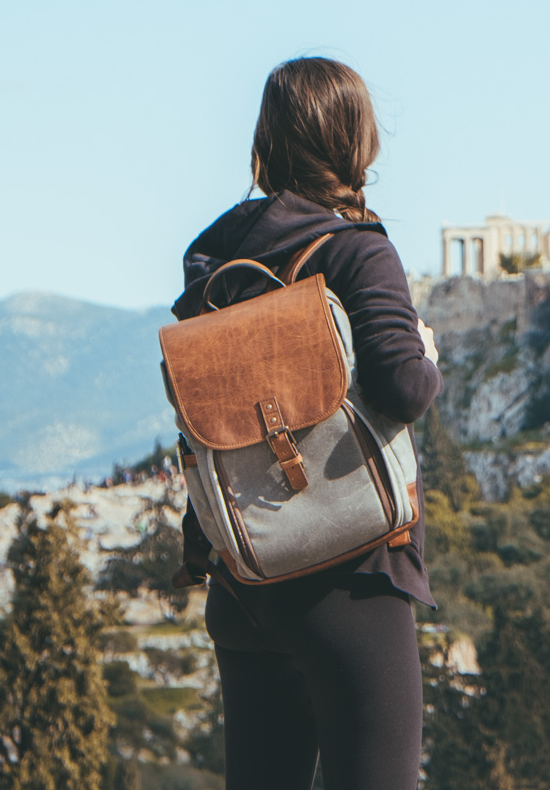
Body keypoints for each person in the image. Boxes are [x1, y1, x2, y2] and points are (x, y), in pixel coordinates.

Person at [173, 57, 441, 790]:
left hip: (245, 574)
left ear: (267, 138)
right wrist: (428, 346)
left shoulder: (212, 263)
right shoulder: (354, 249)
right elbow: (403, 385)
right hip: (347, 571)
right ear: (357, 141)